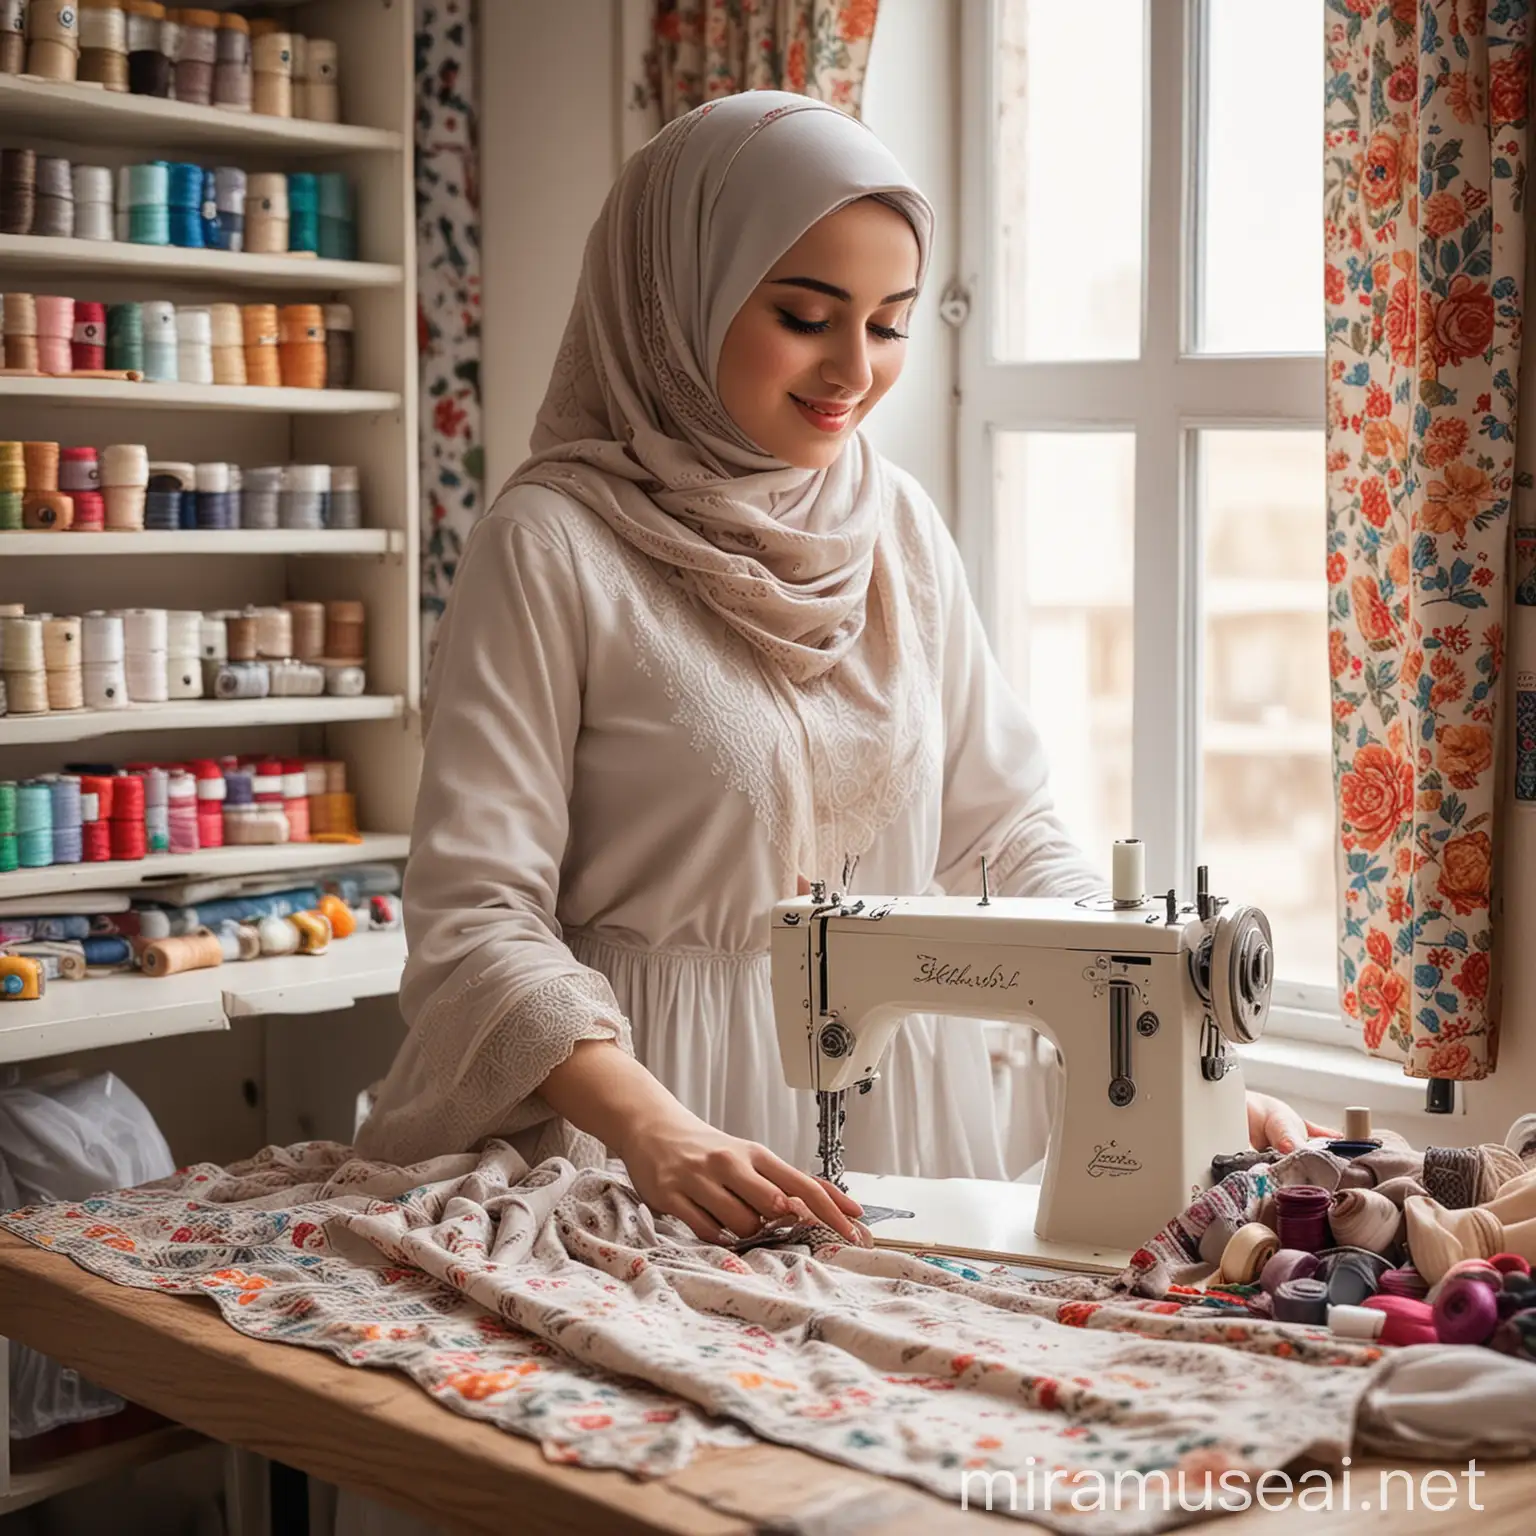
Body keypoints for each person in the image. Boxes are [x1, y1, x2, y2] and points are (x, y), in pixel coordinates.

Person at [354, 91, 1329, 1251]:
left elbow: (1008, 832)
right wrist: (656, 1129)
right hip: (651, 1133)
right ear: (682, 295)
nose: (854, 372)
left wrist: (1175, 1067)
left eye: (890, 322)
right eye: (808, 315)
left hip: (907, 1127)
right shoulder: (555, 545)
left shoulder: (894, 528)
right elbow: (476, 914)